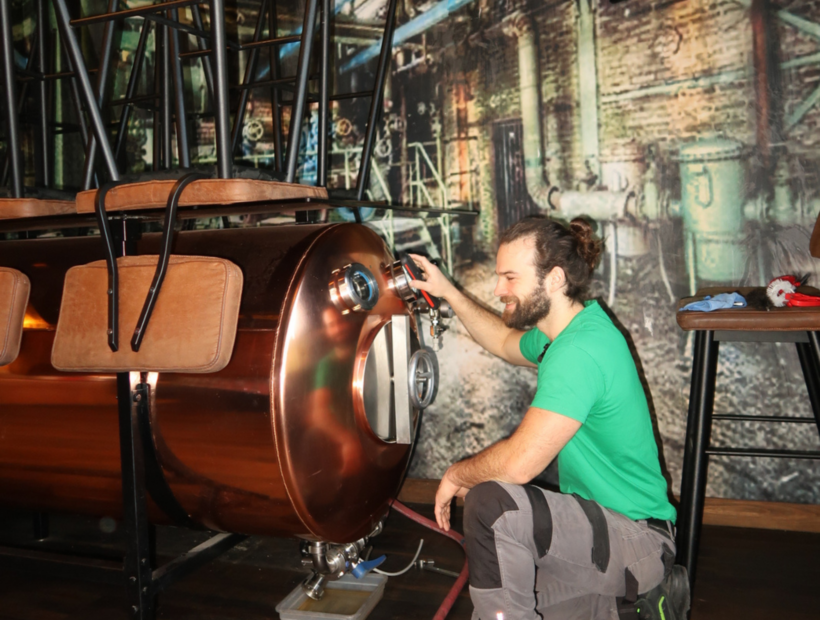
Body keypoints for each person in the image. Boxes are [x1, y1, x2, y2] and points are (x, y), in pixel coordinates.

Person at [408, 215, 689, 620]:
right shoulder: (568, 331)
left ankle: (640, 590)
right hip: (600, 529)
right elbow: (504, 341)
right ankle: (636, 607)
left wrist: (457, 474)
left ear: (554, 278)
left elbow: (518, 465)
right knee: (499, 601)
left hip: (635, 539)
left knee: (492, 505)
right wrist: (448, 291)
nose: (498, 289)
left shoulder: (579, 350)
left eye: (510, 278)